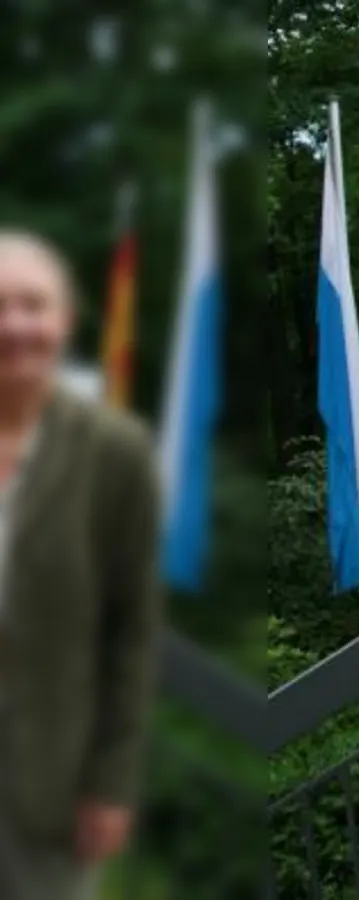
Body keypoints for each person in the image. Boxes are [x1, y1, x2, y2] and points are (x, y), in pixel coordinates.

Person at [0, 230, 164, 900]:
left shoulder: (114, 452)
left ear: (63, 321)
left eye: (32, 305)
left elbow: (132, 631)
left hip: (54, 782)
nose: (14, 324)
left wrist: (113, 783)